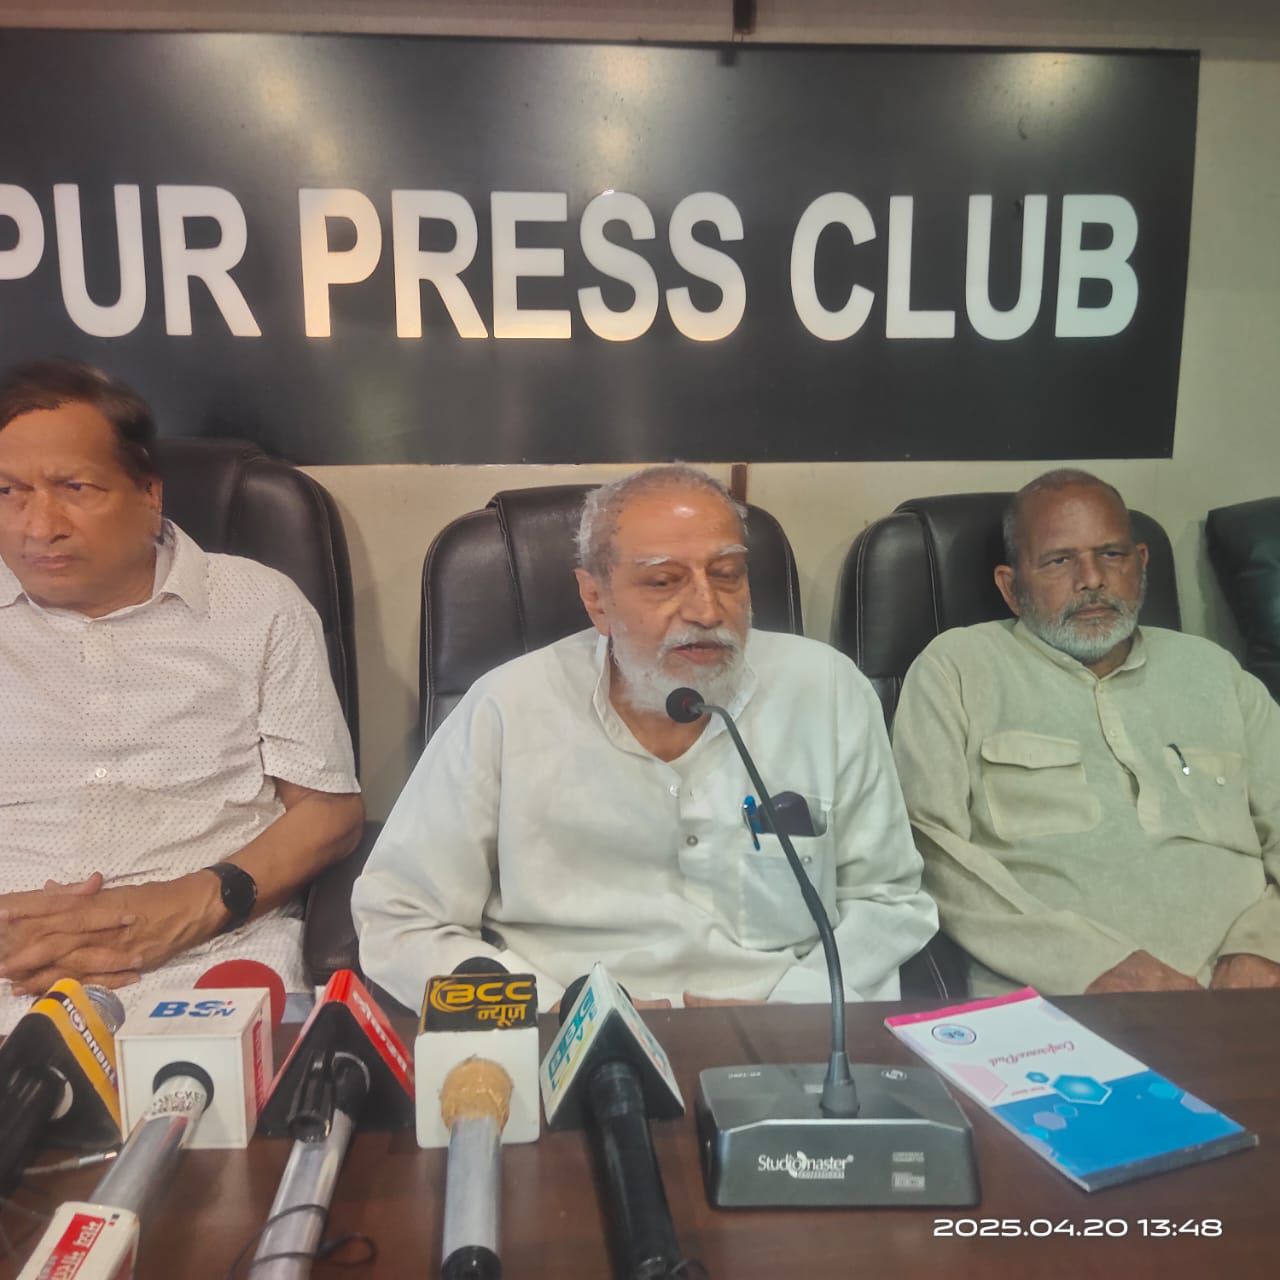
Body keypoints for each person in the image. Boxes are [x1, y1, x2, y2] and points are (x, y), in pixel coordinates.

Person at [353, 464, 936, 1013]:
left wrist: (789, 1011)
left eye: (727, 575)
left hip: (786, 1032)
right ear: (596, 599)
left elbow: (887, 900)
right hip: (561, 1031)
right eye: (663, 581)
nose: (706, 609)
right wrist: (554, 1014)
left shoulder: (826, 689)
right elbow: (401, 915)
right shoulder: (507, 706)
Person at [0, 358, 363, 1031]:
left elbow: (328, 810)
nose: (38, 525)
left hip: (205, 955)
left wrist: (193, 904)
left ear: (149, 494)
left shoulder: (257, 606)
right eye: (8, 492)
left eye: (74, 488)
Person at [892, 469, 1280, 996]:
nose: (1092, 579)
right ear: (1010, 586)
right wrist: (1090, 965)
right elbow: (929, 850)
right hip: (1059, 1001)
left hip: (1250, 991)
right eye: (1059, 561)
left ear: (1141, 564)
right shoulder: (957, 670)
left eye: (1112, 555)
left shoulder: (1216, 673)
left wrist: (1263, 947)